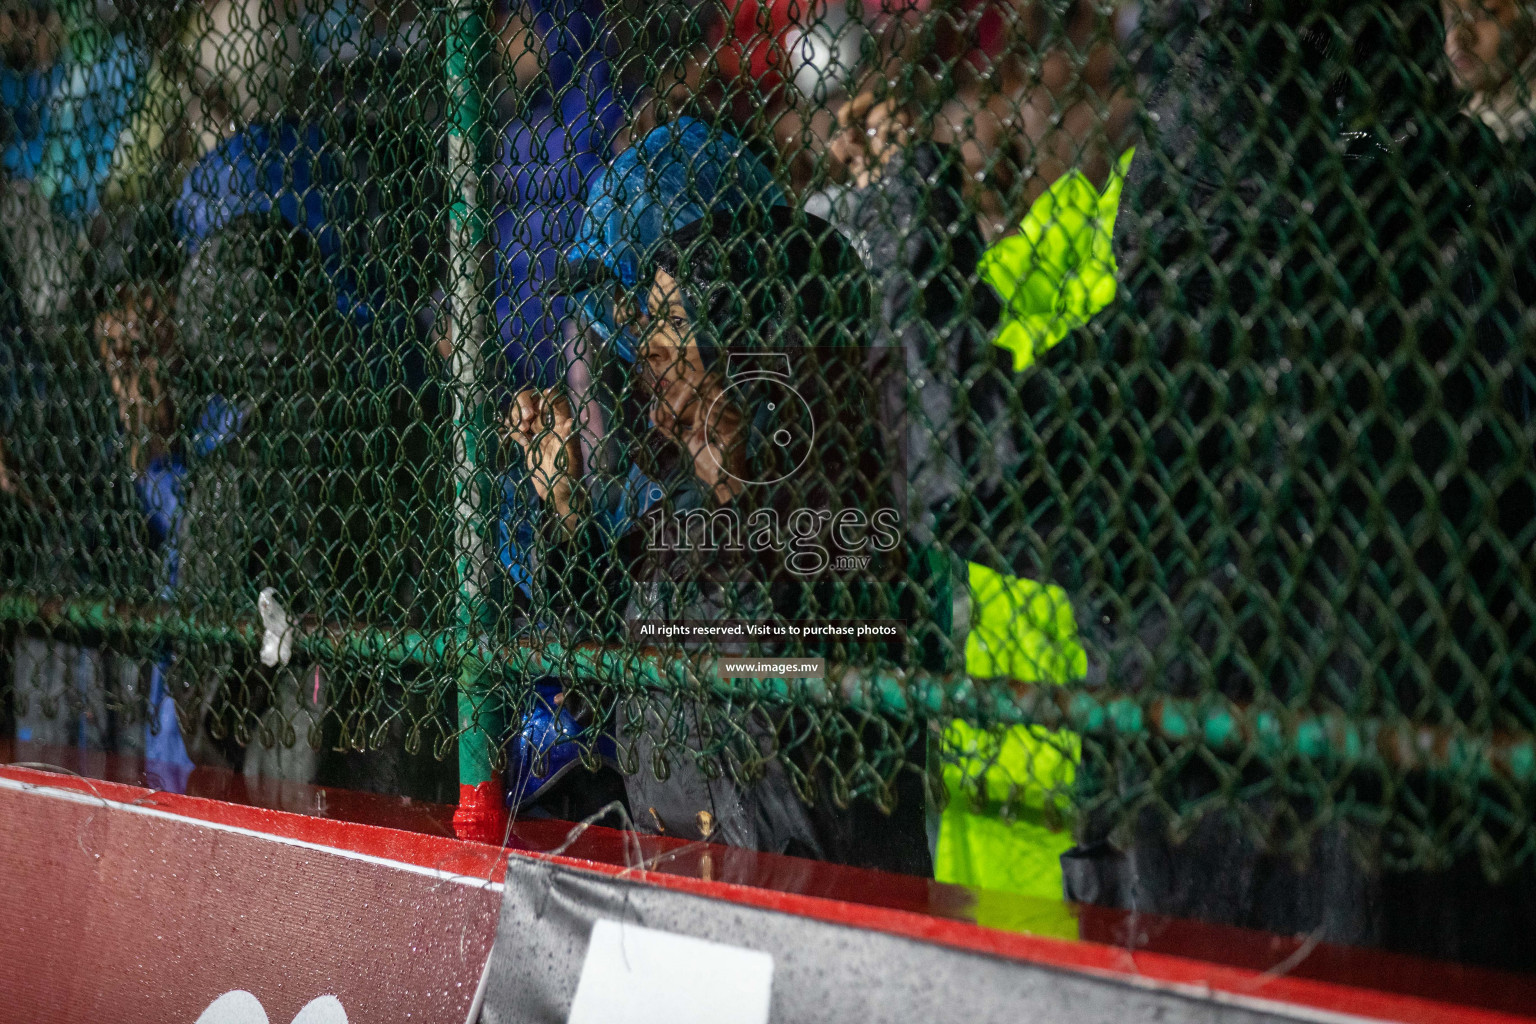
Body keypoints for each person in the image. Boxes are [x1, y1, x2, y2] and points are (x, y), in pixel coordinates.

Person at [505, 205, 932, 872]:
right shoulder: (676, 505)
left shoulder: (858, 498)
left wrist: (741, 495)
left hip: (810, 909)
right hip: (678, 887)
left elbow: (806, 680)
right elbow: (597, 686)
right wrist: (564, 507)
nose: (649, 350)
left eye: (675, 325)